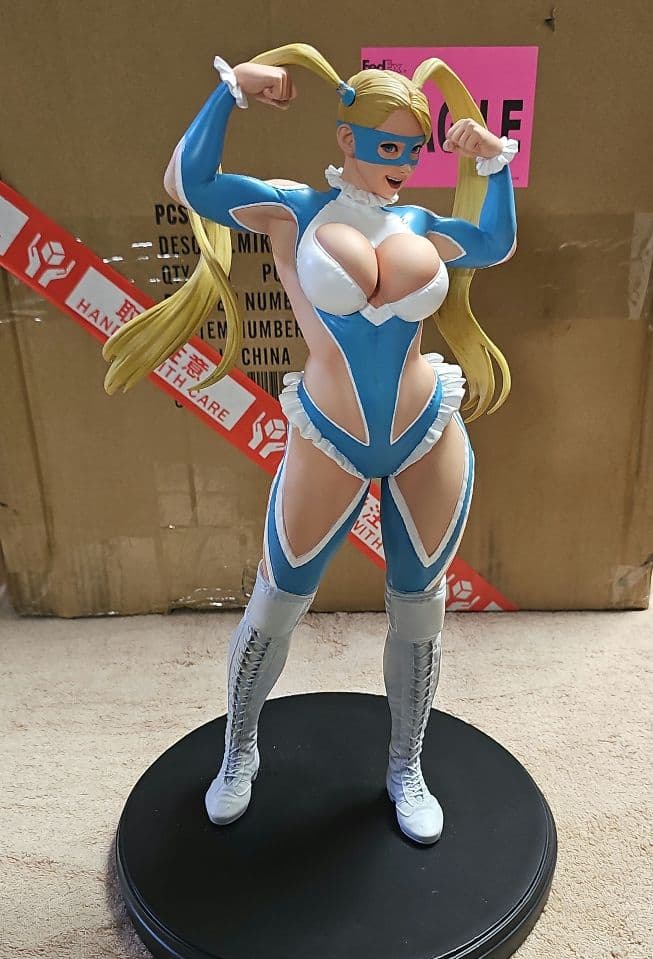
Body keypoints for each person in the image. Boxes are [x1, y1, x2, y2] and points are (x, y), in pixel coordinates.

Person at [103, 44, 517, 845]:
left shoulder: (422, 223)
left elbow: (492, 243)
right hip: (329, 436)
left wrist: (492, 163)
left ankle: (405, 766)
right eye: (387, 145)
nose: (401, 163)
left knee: (419, 610)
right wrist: (230, 93)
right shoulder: (293, 211)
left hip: (426, 430)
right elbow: (189, 183)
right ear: (346, 138)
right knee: (277, 603)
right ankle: (238, 750)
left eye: (414, 150)